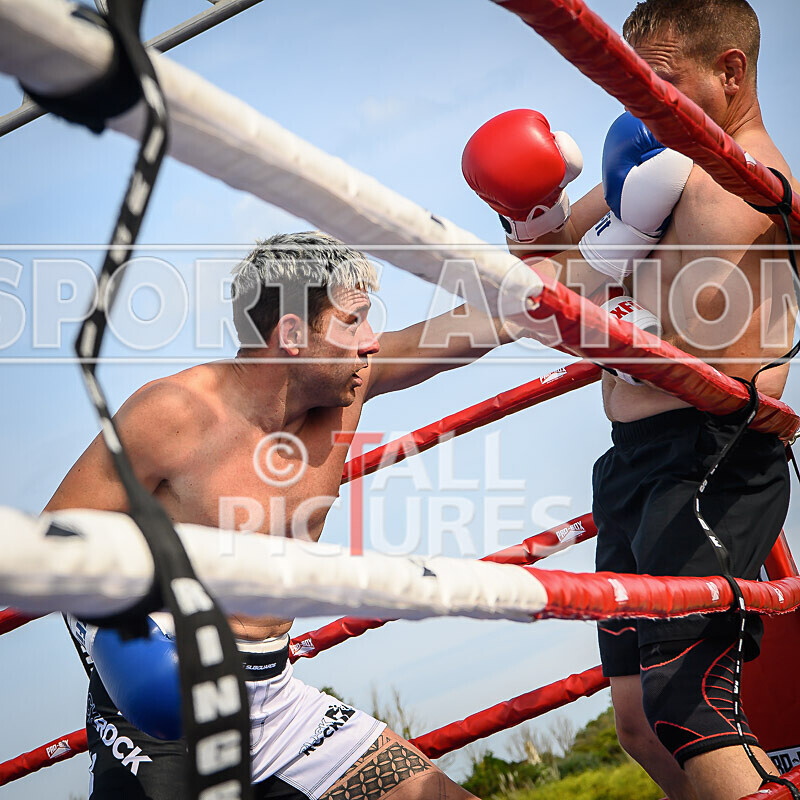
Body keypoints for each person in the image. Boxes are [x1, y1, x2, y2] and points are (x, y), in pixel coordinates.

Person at [46, 231, 523, 799]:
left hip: (276, 704)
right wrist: (121, 643)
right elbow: (55, 537)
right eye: (354, 322)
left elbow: (483, 324)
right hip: (164, 716)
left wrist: (592, 226)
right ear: (293, 334)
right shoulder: (173, 413)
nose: (371, 343)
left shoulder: (346, 388)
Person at [462, 1, 798, 798]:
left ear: (730, 72)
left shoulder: (745, 189)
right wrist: (529, 206)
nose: (641, 102)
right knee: (640, 724)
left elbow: (666, 340)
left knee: (689, 709)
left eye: (662, 81)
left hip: (710, 457)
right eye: (632, 83)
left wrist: (566, 295)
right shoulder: (651, 158)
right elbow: (539, 258)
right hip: (631, 466)